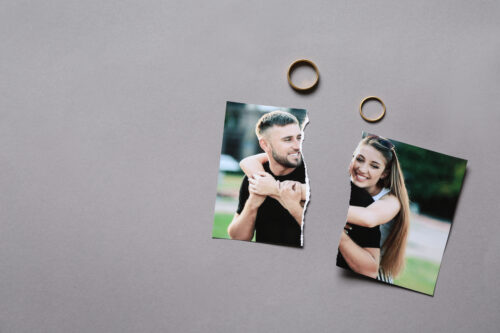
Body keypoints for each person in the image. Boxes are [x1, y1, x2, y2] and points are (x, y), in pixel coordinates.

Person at [227, 111, 308, 247]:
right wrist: (252, 203)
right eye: (287, 139)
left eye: (299, 137)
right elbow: (238, 237)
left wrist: (273, 189)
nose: (297, 145)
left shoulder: (313, 174)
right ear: (265, 145)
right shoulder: (254, 177)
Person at [337, 135, 410, 282]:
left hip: (374, 274)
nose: (363, 169)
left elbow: (368, 218)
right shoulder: (344, 185)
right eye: (359, 159)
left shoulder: (392, 200)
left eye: (374, 166)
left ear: (384, 173)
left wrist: (322, 209)